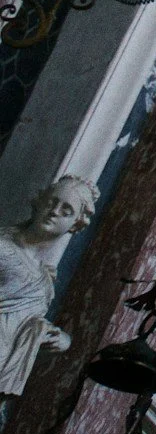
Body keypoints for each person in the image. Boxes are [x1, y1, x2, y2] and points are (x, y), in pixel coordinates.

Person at [0, 175, 97, 413]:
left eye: (66, 210)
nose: (54, 211)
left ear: (75, 224)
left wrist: (55, 337)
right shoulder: (3, 246)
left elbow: (20, 324)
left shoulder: (45, 283)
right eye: (52, 202)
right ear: (39, 202)